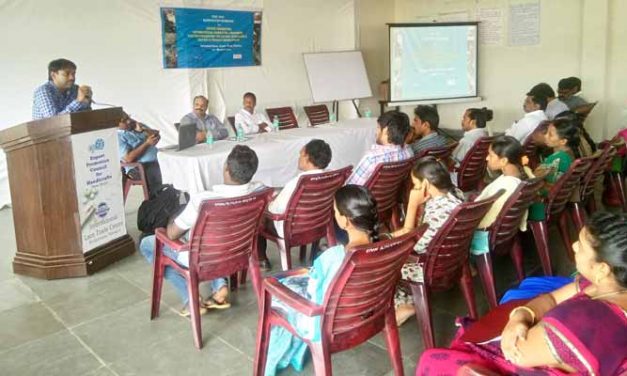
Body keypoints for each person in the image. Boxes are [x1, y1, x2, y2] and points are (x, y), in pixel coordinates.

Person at [416, 211, 627, 375]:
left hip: (524, 363)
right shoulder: (607, 285)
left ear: (602, 268)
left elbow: (516, 353)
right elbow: (552, 298)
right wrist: (521, 315)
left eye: (580, 246)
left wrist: (524, 324)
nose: (573, 246)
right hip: (541, 349)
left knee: (433, 360)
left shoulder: (586, 321)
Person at [264, 185, 380, 375]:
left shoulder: (333, 257)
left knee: (275, 293)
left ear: (345, 220)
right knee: (290, 282)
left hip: (325, 324)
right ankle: (295, 354)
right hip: (365, 314)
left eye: (335, 211)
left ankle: (272, 363)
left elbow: (316, 296)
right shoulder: (384, 247)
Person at [138, 145, 263, 316]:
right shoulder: (260, 191)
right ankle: (219, 286)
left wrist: (171, 221)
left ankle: (190, 298)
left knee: (147, 244)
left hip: (204, 257)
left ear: (226, 169)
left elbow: (171, 234)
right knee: (205, 242)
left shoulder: (204, 200)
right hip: (240, 251)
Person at [391, 157, 464, 325]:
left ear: (425, 185)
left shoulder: (439, 210)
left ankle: (403, 304)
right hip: (451, 260)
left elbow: (411, 244)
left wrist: (412, 205)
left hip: (429, 267)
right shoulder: (455, 194)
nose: (414, 189)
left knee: (383, 264)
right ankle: (406, 301)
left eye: (416, 185)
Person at [257, 139, 333, 271]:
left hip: (292, 229)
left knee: (257, 214)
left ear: (308, 157)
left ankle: (261, 259)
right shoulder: (332, 176)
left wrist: (268, 202)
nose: (298, 158)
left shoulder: (298, 183)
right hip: (318, 224)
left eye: (301, 154)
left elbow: (276, 210)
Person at [527, 117, 580, 220]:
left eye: (550, 134)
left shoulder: (557, 159)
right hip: (557, 203)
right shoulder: (569, 154)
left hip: (541, 205)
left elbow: (532, 180)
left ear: (563, 141)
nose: (545, 136)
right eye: (546, 132)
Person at [345, 111, 413, 185]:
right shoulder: (409, 152)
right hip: (392, 195)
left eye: (378, 127)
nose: (376, 132)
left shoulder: (372, 158)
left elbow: (350, 187)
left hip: (367, 196)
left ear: (385, 130)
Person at [117, 112, 162, 195]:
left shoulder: (135, 127)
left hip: (156, 161)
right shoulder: (119, 137)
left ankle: (173, 196)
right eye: (125, 121)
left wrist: (145, 130)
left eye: (128, 118)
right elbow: (128, 159)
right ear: (116, 124)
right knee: (157, 170)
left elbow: (157, 136)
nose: (129, 121)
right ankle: (156, 200)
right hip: (137, 168)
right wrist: (147, 143)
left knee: (169, 164)